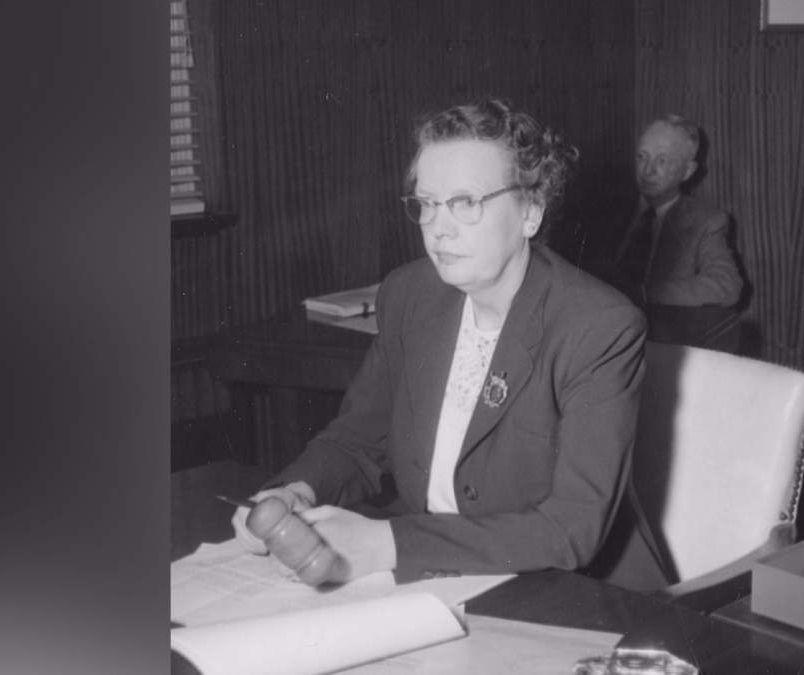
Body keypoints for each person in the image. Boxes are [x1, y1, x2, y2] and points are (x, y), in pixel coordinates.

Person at [231, 99, 650, 585]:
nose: (438, 227)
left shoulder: (599, 327)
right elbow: (358, 439)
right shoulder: (410, 295)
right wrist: (294, 492)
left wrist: (387, 544)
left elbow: (570, 530)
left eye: (465, 202)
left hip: (569, 591)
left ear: (531, 211)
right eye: (427, 203)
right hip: (435, 578)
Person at [608, 115, 744, 349]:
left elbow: (727, 285)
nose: (648, 170)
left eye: (662, 161)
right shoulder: (608, 208)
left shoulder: (706, 222)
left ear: (687, 171)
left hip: (657, 343)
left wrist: (646, 292)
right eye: (642, 157)